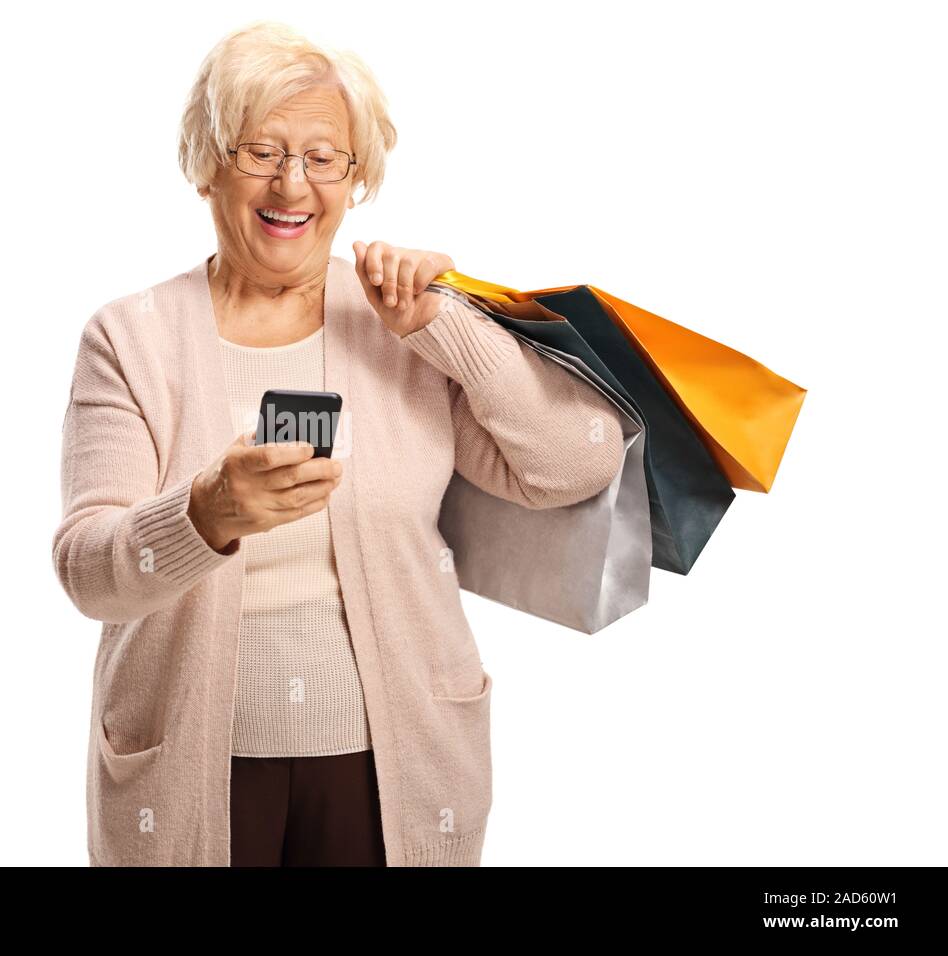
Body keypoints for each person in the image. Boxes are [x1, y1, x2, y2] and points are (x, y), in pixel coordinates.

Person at [52, 19, 627, 866]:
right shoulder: (130, 338)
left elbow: (578, 463)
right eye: (261, 150)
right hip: (190, 774)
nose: (294, 183)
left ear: (356, 179)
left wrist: (446, 329)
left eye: (326, 158)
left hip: (386, 768)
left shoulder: (405, 326)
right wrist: (203, 514)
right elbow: (88, 572)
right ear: (208, 163)